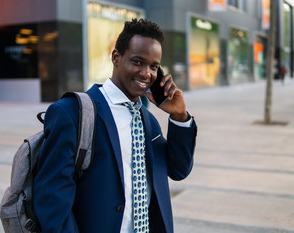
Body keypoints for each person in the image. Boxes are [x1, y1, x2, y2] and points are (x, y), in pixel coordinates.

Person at [34, 18, 197, 233]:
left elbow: (179, 170)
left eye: (154, 66)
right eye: (138, 62)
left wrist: (179, 116)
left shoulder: (148, 122)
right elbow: (51, 199)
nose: (146, 73)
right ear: (116, 58)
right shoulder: (71, 113)